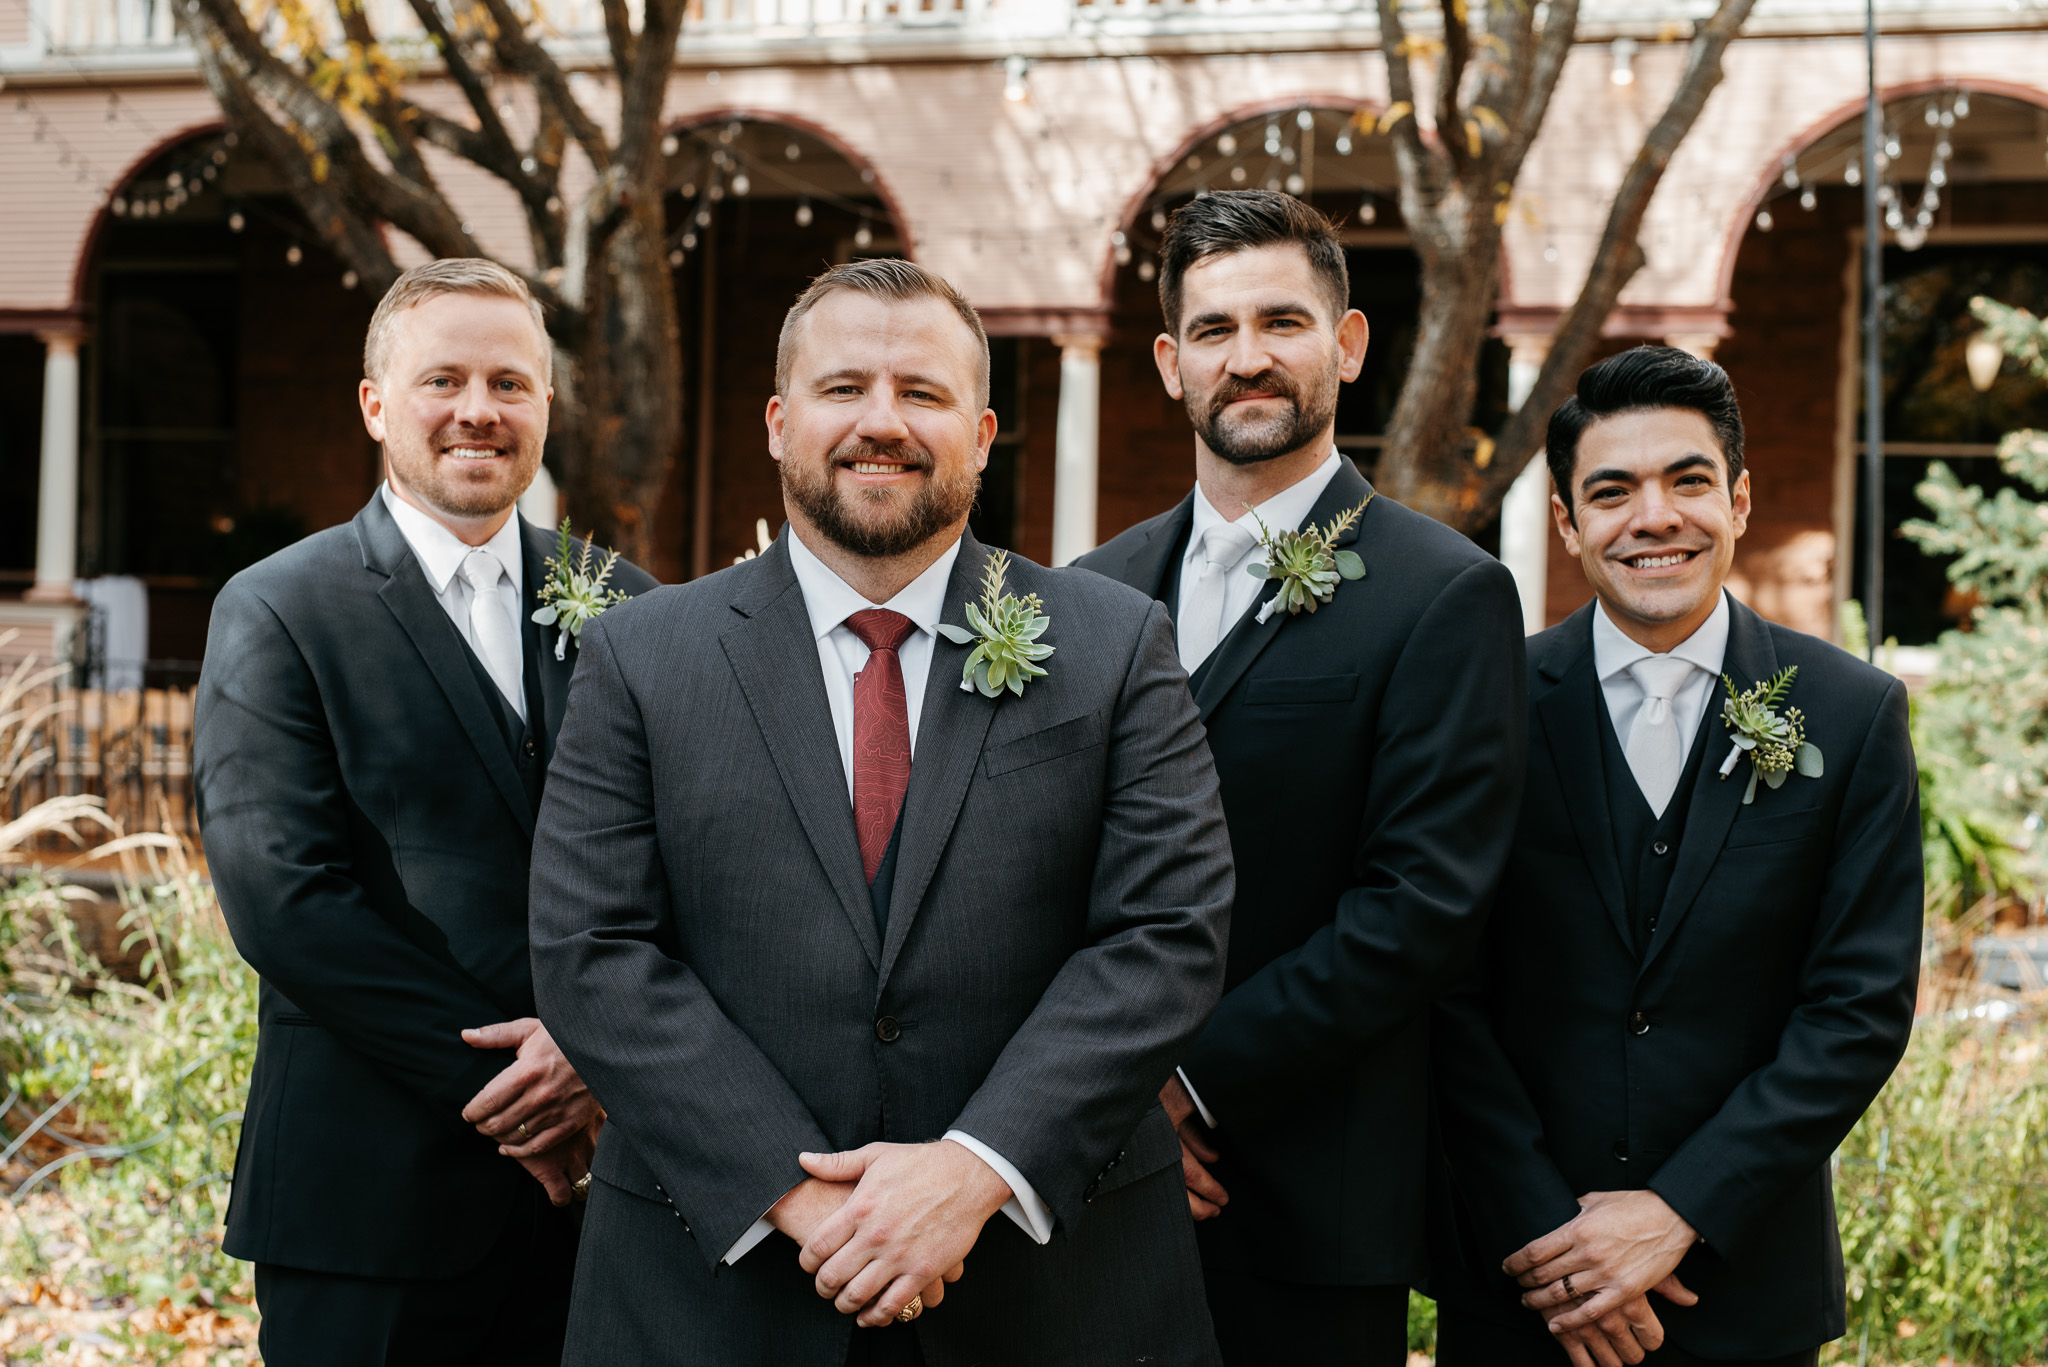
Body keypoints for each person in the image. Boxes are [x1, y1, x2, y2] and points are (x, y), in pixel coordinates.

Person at [527, 257, 1234, 1367]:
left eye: (923, 392)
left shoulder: (1113, 643)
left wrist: (974, 1167)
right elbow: (592, 948)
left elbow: (1166, 933)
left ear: (984, 430)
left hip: (1057, 1290)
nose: (881, 422)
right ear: (776, 420)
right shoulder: (640, 654)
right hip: (712, 1289)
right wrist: (803, 1203)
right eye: (843, 386)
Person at [1076, 189, 1528, 1365]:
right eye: (1214, 331)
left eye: (1282, 321)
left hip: (1304, 1199)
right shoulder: (1088, 591)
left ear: (1347, 343)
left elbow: (1418, 907)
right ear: (1172, 364)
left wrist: (1182, 1082)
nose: (1248, 358)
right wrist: (1099, 1101)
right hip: (1083, 1179)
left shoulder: (1442, 591)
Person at [193, 258, 657, 1366]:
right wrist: (515, 1091)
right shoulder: (278, 606)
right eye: (442, 378)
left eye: (511, 381)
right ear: (374, 403)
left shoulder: (632, 604)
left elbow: (690, 863)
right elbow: (286, 899)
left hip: (603, 1210)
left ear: (545, 403)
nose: (478, 409)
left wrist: (595, 1054)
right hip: (367, 1202)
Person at [1428, 347, 1923, 1366]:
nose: (1653, 517)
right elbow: (1435, 984)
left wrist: (1676, 1210)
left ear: (1737, 498)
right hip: (1524, 1284)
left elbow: (1855, 1006)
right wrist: (1544, 1231)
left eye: (1687, 480)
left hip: (1742, 1288)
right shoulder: (1484, 707)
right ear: (1566, 524)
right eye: (1610, 491)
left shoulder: (1849, 710)